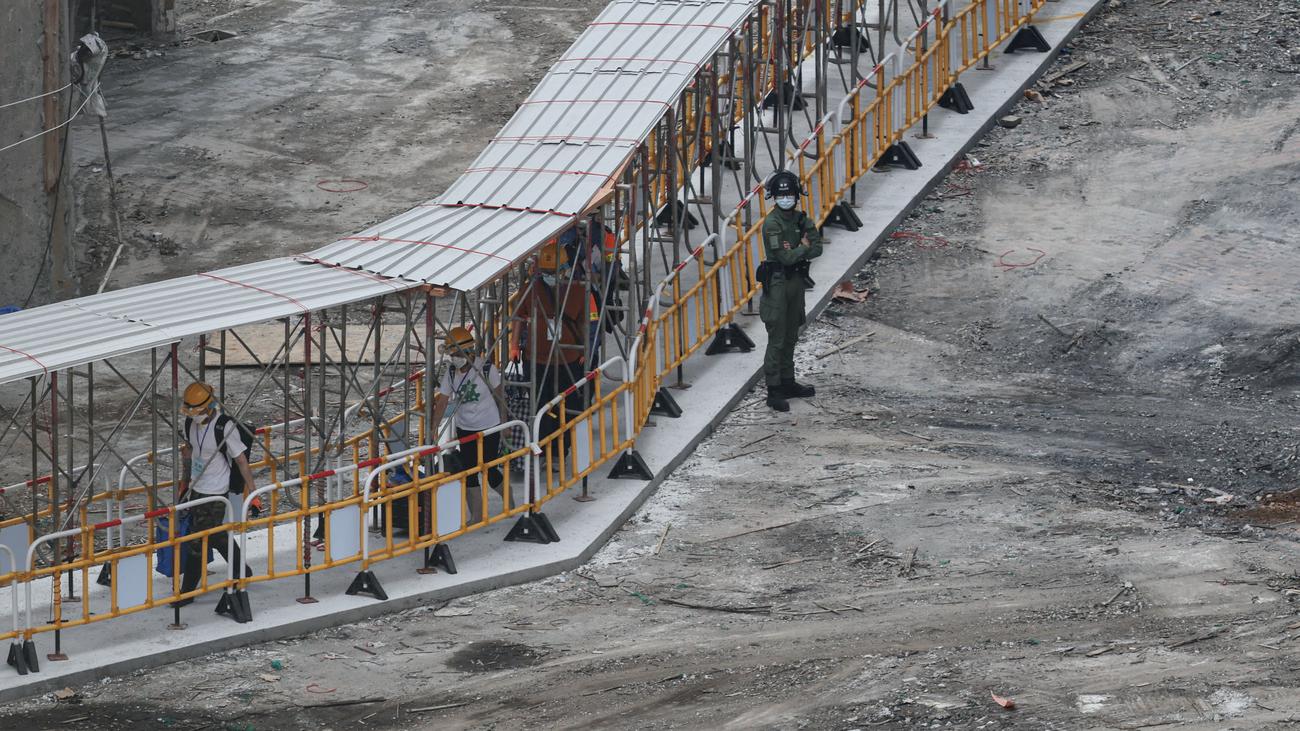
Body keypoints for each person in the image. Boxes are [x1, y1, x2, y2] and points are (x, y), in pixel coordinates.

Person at [509, 240, 594, 456]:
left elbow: (587, 323)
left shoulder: (579, 291)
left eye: (552, 271)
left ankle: (561, 449)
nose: (548, 275)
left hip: (569, 358)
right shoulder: (531, 289)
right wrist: (513, 345)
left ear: (565, 269)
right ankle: (546, 449)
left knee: (567, 407)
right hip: (536, 359)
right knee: (541, 408)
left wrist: (585, 349)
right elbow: (518, 316)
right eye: (545, 271)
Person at [175, 382, 254, 607]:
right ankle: (241, 569)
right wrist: (185, 482)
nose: (195, 416)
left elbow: (241, 460)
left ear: (209, 406)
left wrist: (253, 491)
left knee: (197, 541)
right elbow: (190, 452)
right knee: (216, 535)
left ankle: (186, 593)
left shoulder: (224, 426)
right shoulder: (191, 422)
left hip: (217, 493)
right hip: (197, 488)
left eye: (198, 412)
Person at [430, 327, 512, 524]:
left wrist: (505, 423)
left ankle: (510, 503)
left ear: (468, 352)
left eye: (458, 353)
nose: (455, 357)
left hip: (489, 427)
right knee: (469, 471)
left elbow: (500, 397)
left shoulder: (486, 369)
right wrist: (433, 429)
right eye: (452, 354)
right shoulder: (451, 373)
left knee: (490, 470)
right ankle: (476, 515)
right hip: (465, 428)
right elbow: (442, 401)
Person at [759, 169, 823, 412]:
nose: (786, 199)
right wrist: (801, 248)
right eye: (781, 195)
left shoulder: (800, 219)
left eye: (789, 195)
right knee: (777, 337)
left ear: (796, 196)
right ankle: (773, 389)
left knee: (791, 334)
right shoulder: (772, 223)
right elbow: (784, 257)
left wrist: (798, 249)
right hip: (778, 283)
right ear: (774, 198)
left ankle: (788, 381)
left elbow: (817, 247)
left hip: (796, 282)